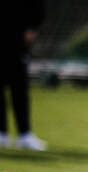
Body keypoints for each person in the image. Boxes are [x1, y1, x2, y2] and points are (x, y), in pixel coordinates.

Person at [0, 0, 45, 149]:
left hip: (17, 36)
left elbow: (37, 5)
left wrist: (32, 27)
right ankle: (2, 134)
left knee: (19, 88)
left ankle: (24, 135)